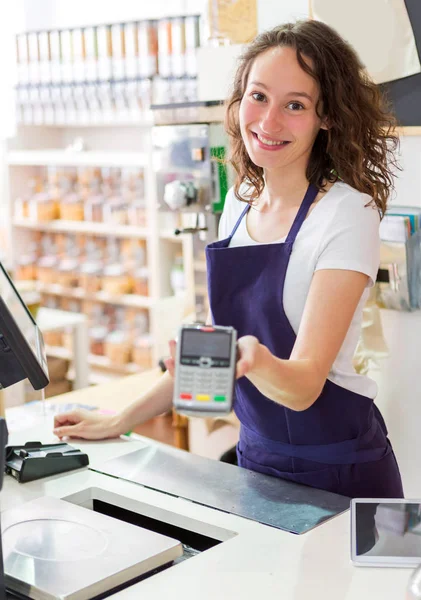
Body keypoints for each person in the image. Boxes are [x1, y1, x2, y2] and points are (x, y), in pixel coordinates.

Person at [54, 20, 403, 499]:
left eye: (295, 105)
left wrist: (252, 358)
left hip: (340, 471)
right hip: (256, 461)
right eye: (258, 97)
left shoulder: (347, 213)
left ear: (327, 118)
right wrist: (120, 420)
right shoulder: (238, 204)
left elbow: (302, 387)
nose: (269, 121)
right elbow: (215, 356)